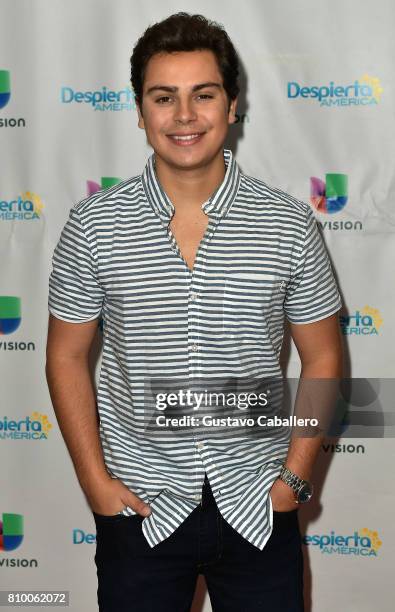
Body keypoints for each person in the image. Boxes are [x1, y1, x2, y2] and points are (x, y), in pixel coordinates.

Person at [46, 12, 343, 612]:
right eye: (164, 97)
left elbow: (325, 355)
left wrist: (296, 478)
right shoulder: (95, 226)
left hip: (260, 505)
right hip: (141, 510)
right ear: (139, 109)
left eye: (203, 95)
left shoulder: (286, 222)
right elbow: (65, 355)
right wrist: (96, 484)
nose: (185, 116)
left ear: (231, 106)